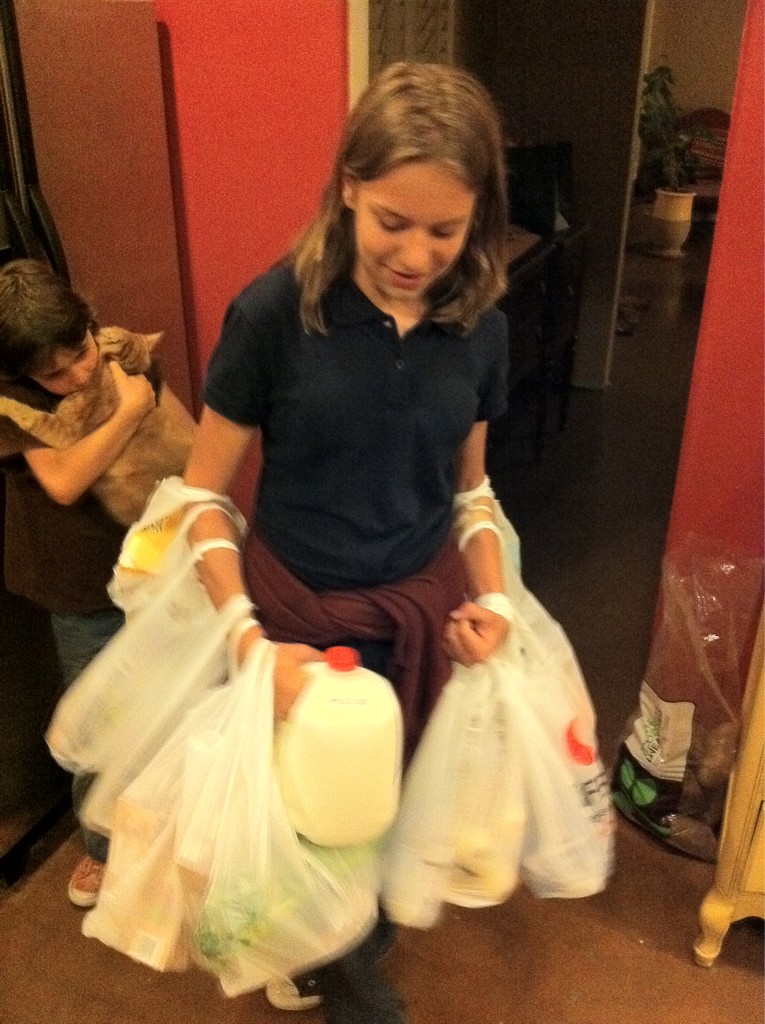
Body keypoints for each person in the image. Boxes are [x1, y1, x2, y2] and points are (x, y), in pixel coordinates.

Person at [183, 61, 512, 1024]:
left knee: (392, 807)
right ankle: (340, 976)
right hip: (293, 622)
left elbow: (473, 490)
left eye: (443, 231)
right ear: (347, 191)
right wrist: (251, 651)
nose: (414, 255)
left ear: (476, 219)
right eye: (390, 223)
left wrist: (489, 601)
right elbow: (200, 497)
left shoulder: (479, 327)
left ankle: (349, 946)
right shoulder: (272, 314)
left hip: (416, 612)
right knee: (309, 829)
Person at [0, 258, 157, 908]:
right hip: (78, 589)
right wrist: (131, 407)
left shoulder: (119, 353)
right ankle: (101, 847)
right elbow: (63, 482)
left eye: (81, 353)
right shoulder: (14, 405)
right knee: (98, 723)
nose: (76, 375)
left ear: (92, 326)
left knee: (164, 703)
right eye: (53, 372)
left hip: (150, 567)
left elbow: (177, 438)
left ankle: (162, 821)